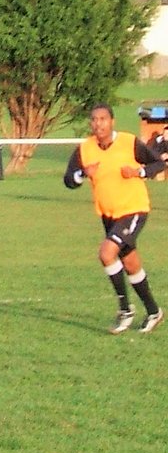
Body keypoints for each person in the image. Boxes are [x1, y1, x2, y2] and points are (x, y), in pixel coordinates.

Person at [64, 103, 165, 334]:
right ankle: (153, 311)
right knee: (130, 263)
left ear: (112, 122)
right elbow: (68, 180)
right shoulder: (85, 149)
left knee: (106, 253)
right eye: (94, 119)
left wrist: (138, 172)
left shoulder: (128, 143)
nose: (98, 124)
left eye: (103, 119)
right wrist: (82, 174)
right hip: (109, 215)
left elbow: (158, 163)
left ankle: (125, 310)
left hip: (134, 209)